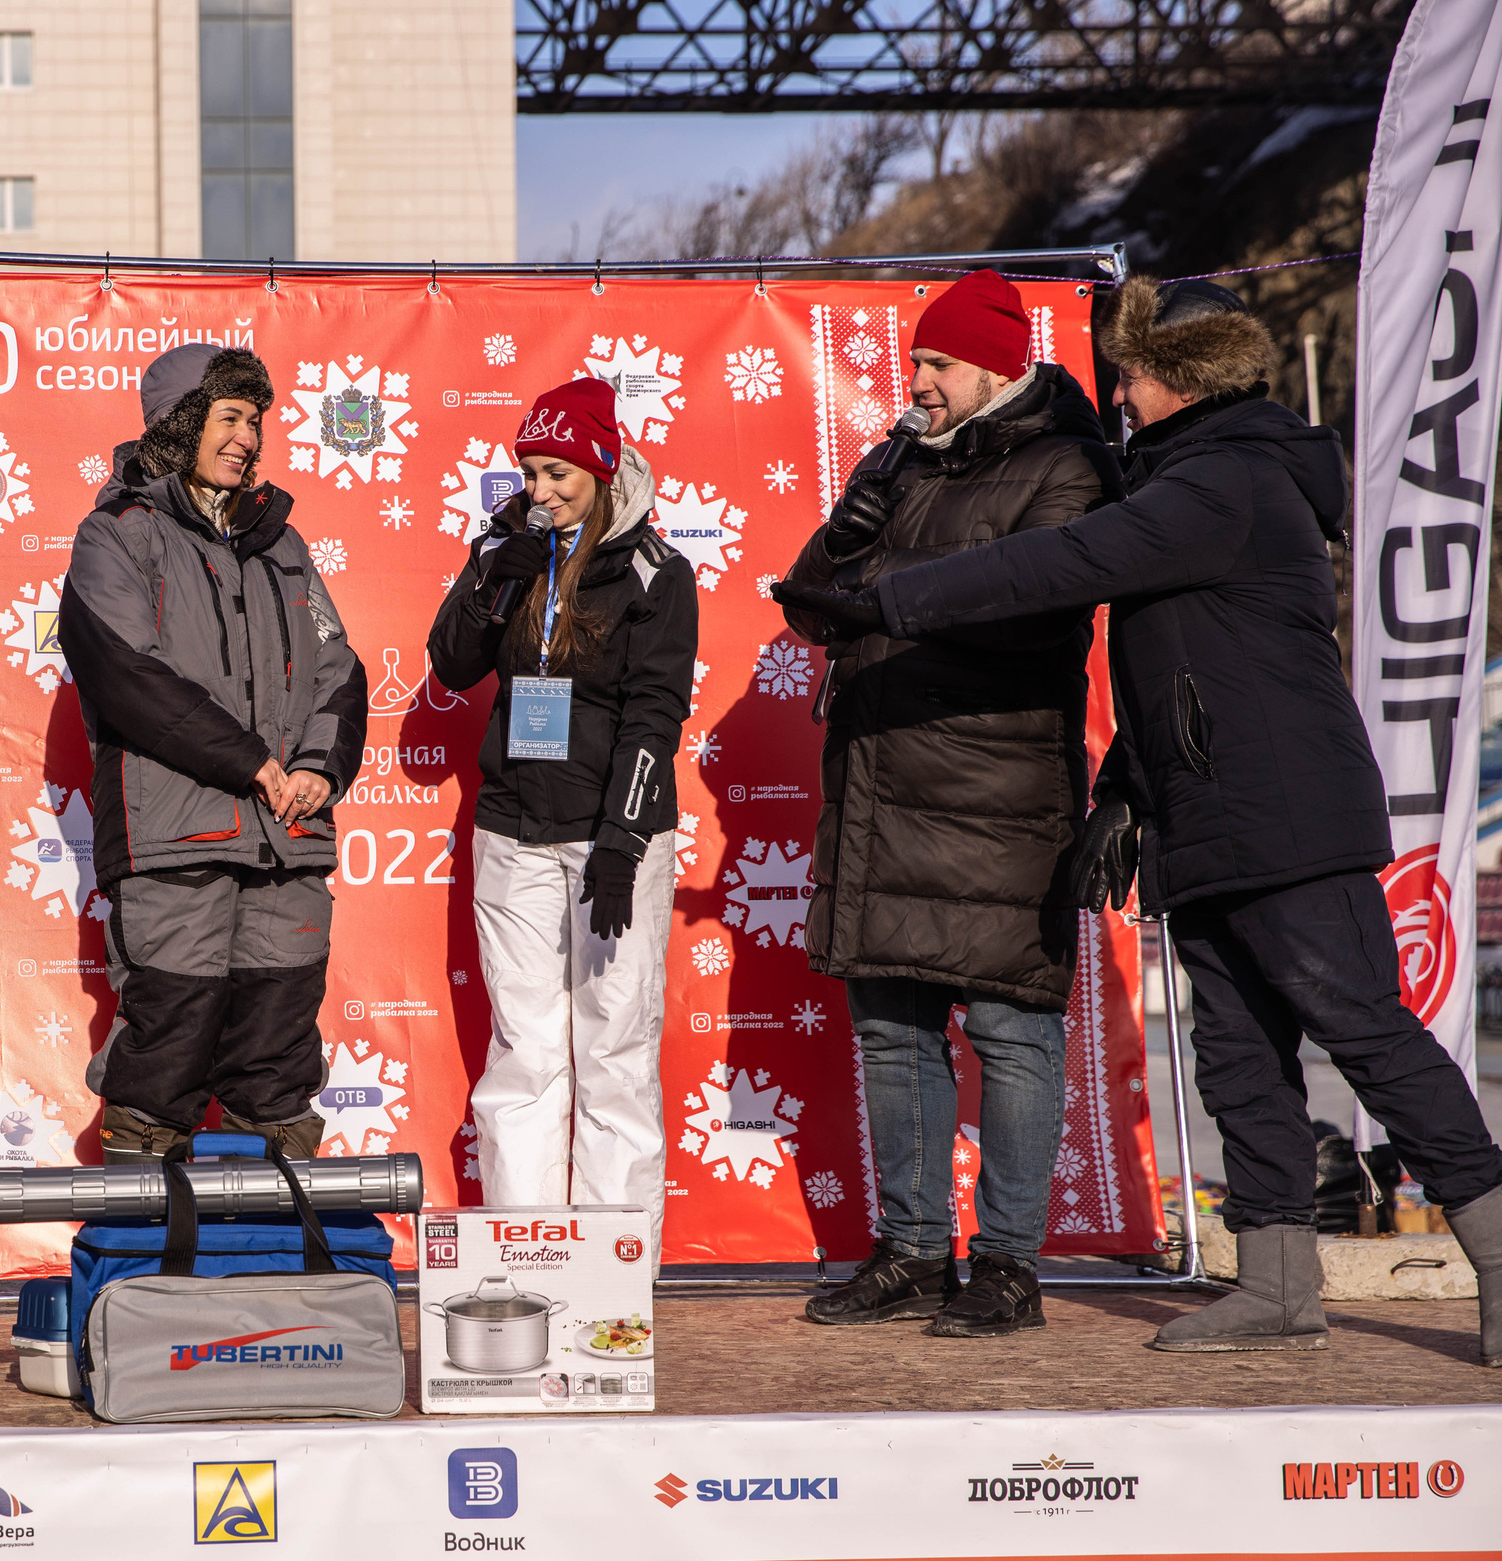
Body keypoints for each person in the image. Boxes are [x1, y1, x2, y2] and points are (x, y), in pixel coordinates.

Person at [775, 277, 1502, 1363]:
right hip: (1199, 805)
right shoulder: (1183, 475)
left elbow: (1066, 560)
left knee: (1362, 1032)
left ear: (1183, 375)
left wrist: (891, 601)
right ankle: (1277, 1280)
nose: (1118, 390)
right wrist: (1123, 785)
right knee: (1239, 1058)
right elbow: (1178, 665)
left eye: (1132, 371)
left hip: (1284, 812)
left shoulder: (1230, 478)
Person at [775, 269, 1123, 1336]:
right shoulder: (899, 465)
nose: (913, 379)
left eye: (935, 364)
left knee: (1012, 1032)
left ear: (994, 366)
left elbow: (1032, 611)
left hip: (997, 790)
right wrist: (847, 530)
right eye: (913, 360)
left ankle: (1008, 1265)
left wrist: (885, 596)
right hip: (882, 778)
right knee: (892, 1028)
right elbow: (812, 606)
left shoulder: (1067, 466)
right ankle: (913, 1251)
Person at [63, 343, 366, 1157]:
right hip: (176, 840)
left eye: (256, 421)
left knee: (277, 1073)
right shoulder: (117, 535)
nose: (248, 438)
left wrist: (315, 767)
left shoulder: (284, 545)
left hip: (287, 839)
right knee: (164, 1057)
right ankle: (139, 1269)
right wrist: (247, 760)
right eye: (229, 418)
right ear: (181, 422)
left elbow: (341, 671)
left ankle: (276, 1270)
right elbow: (128, 675)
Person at [426, 376, 697, 1210]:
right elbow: (451, 662)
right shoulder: (501, 551)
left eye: (558, 474)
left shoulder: (656, 572)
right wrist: (492, 581)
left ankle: (614, 1271)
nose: (539, 493)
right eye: (528, 472)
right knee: (526, 1052)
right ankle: (526, 1252)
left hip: (613, 839)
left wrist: (622, 840)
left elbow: (655, 716)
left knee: (614, 1050)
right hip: (512, 831)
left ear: (603, 469)